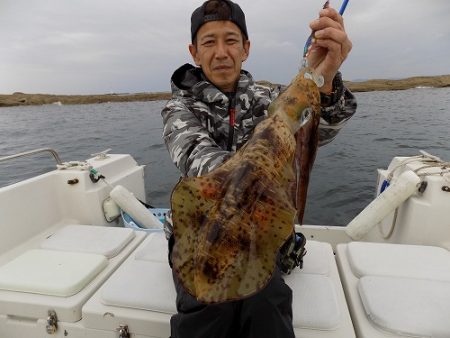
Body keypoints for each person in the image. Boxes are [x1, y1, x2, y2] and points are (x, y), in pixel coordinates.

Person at [161, 1, 357, 337]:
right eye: (209, 42)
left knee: (267, 303)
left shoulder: (269, 100)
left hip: (259, 234)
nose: (221, 52)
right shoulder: (179, 109)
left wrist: (321, 78)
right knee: (208, 307)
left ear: (246, 48)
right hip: (201, 234)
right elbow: (202, 165)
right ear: (194, 52)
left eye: (231, 40)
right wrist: (283, 125)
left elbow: (314, 133)